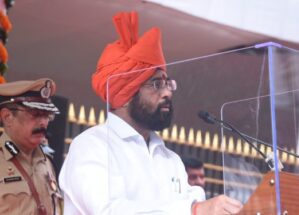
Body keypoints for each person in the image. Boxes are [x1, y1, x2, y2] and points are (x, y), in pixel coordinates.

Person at [59, 11, 242, 215]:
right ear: (126, 94)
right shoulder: (91, 146)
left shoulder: (170, 159)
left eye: (167, 83)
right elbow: (110, 211)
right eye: (156, 84)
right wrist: (194, 210)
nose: (167, 93)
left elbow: (194, 204)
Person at [0, 78, 62, 215]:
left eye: (47, 115)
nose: (43, 122)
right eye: (36, 114)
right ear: (7, 117)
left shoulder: (46, 161)